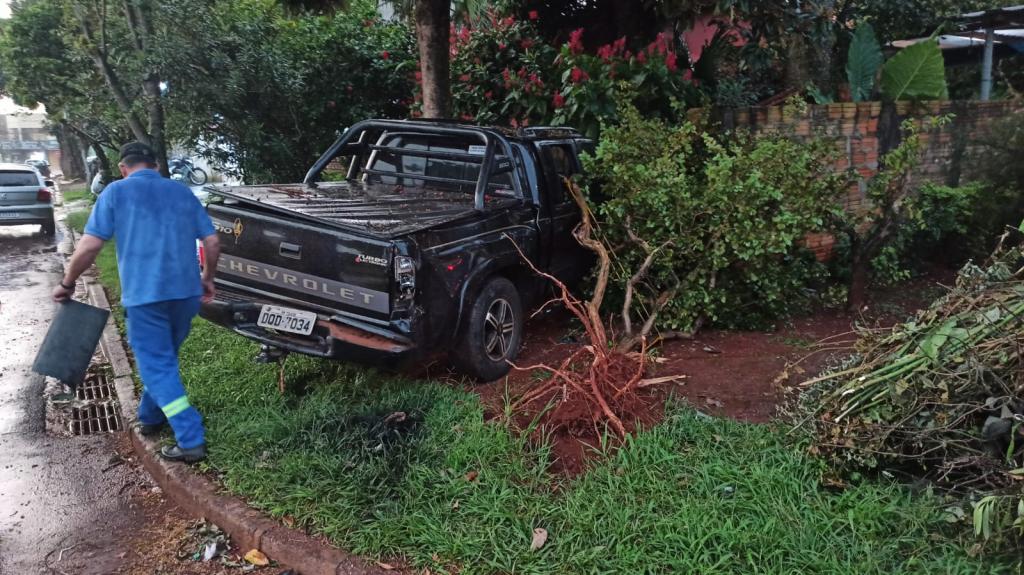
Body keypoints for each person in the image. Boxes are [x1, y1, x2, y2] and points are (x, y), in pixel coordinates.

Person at [53, 141, 221, 463]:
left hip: (146, 298)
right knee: (162, 361)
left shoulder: (115, 192)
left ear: (123, 168)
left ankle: (190, 438)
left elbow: (89, 246)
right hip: (186, 294)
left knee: (156, 366)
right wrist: (207, 277)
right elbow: (212, 242)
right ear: (156, 165)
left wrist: (67, 282)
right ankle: (150, 416)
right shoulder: (181, 191)